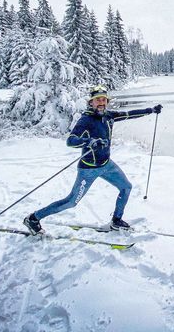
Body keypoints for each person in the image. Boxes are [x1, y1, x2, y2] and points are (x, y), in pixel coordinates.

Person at [24, 84, 162, 234]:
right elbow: (71, 140)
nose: (101, 103)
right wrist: (89, 141)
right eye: (98, 100)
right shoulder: (86, 120)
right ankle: (33, 218)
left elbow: (129, 113)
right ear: (91, 102)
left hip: (107, 165)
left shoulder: (109, 116)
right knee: (71, 202)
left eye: (104, 100)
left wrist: (151, 110)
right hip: (88, 169)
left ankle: (116, 221)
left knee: (126, 187)